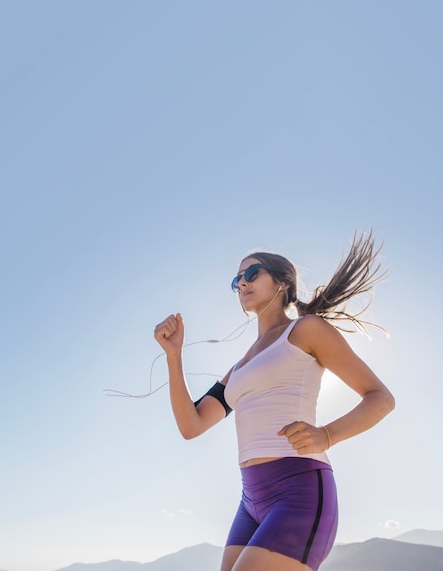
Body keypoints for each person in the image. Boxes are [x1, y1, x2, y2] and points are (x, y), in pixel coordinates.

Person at [154, 232, 395, 571]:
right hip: (250, 500)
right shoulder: (238, 369)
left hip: (299, 490)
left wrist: (327, 435)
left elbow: (381, 398)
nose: (242, 283)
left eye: (252, 273)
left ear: (283, 283)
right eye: (237, 279)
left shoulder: (306, 330)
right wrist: (174, 356)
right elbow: (190, 425)